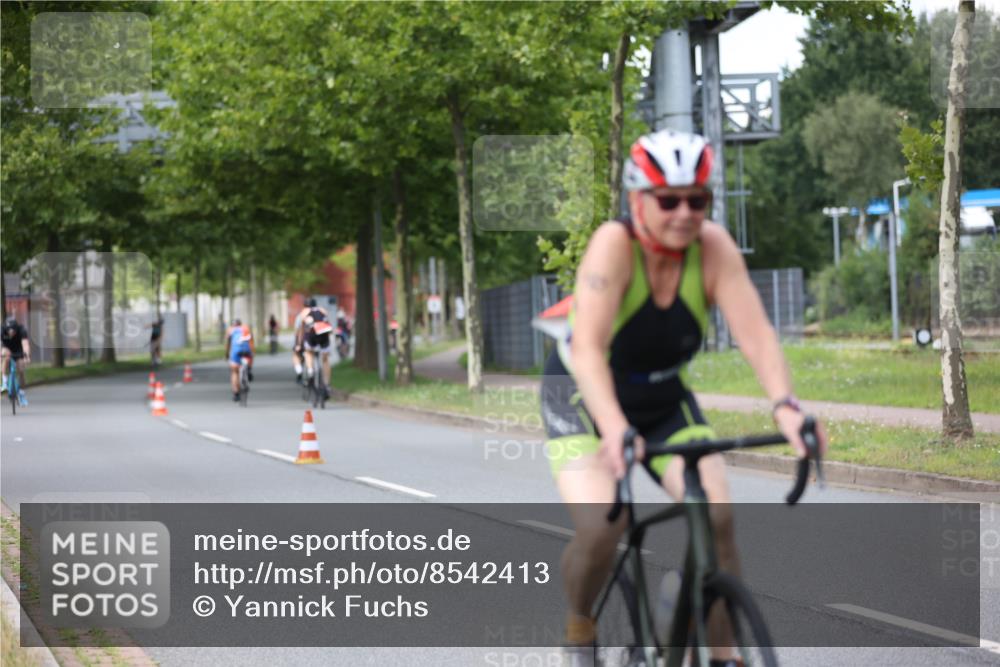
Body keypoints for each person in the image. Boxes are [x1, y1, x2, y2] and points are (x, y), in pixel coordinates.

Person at [540, 129, 828, 665]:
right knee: (605, 525)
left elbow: (757, 334)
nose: (683, 213)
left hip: (663, 402)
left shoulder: (712, 248)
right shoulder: (613, 245)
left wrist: (787, 406)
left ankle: (722, 654)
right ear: (636, 201)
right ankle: (580, 622)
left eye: (697, 199)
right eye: (667, 199)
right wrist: (616, 428)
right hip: (581, 400)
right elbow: (586, 352)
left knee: (716, 513)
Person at [295, 298, 332, 397]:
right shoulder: (323, 310)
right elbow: (328, 325)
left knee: (308, 353)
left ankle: (311, 371)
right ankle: (327, 384)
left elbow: (302, 330)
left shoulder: (304, 312)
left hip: (311, 336)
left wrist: (299, 343)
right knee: (325, 360)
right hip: (323, 336)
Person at [1, 316, 30, 406]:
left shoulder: (22, 330)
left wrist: (27, 356)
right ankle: (4, 382)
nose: (11, 332)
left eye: (13, 330)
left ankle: (21, 394)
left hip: (18, 350)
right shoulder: (1, 330)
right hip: (6, 349)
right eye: (9, 330)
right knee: (6, 356)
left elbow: (25, 344)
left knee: (21, 369)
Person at [225, 318, 255, 402]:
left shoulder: (230, 330)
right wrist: (252, 353)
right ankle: (248, 371)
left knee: (234, 372)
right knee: (248, 361)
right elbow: (251, 343)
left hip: (235, 353)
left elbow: (228, 344)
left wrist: (227, 354)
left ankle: (236, 393)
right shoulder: (246, 328)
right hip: (247, 352)